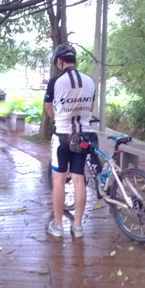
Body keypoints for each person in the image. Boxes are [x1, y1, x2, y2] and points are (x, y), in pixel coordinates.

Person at [44, 43, 96, 238]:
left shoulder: (55, 82)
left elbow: (49, 108)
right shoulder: (89, 81)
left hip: (62, 136)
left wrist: (57, 119)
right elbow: (91, 107)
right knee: (78, 179)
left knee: (59, 179)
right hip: (83, 136)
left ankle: (58, 226)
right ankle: (78, 226)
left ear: (59, 61)